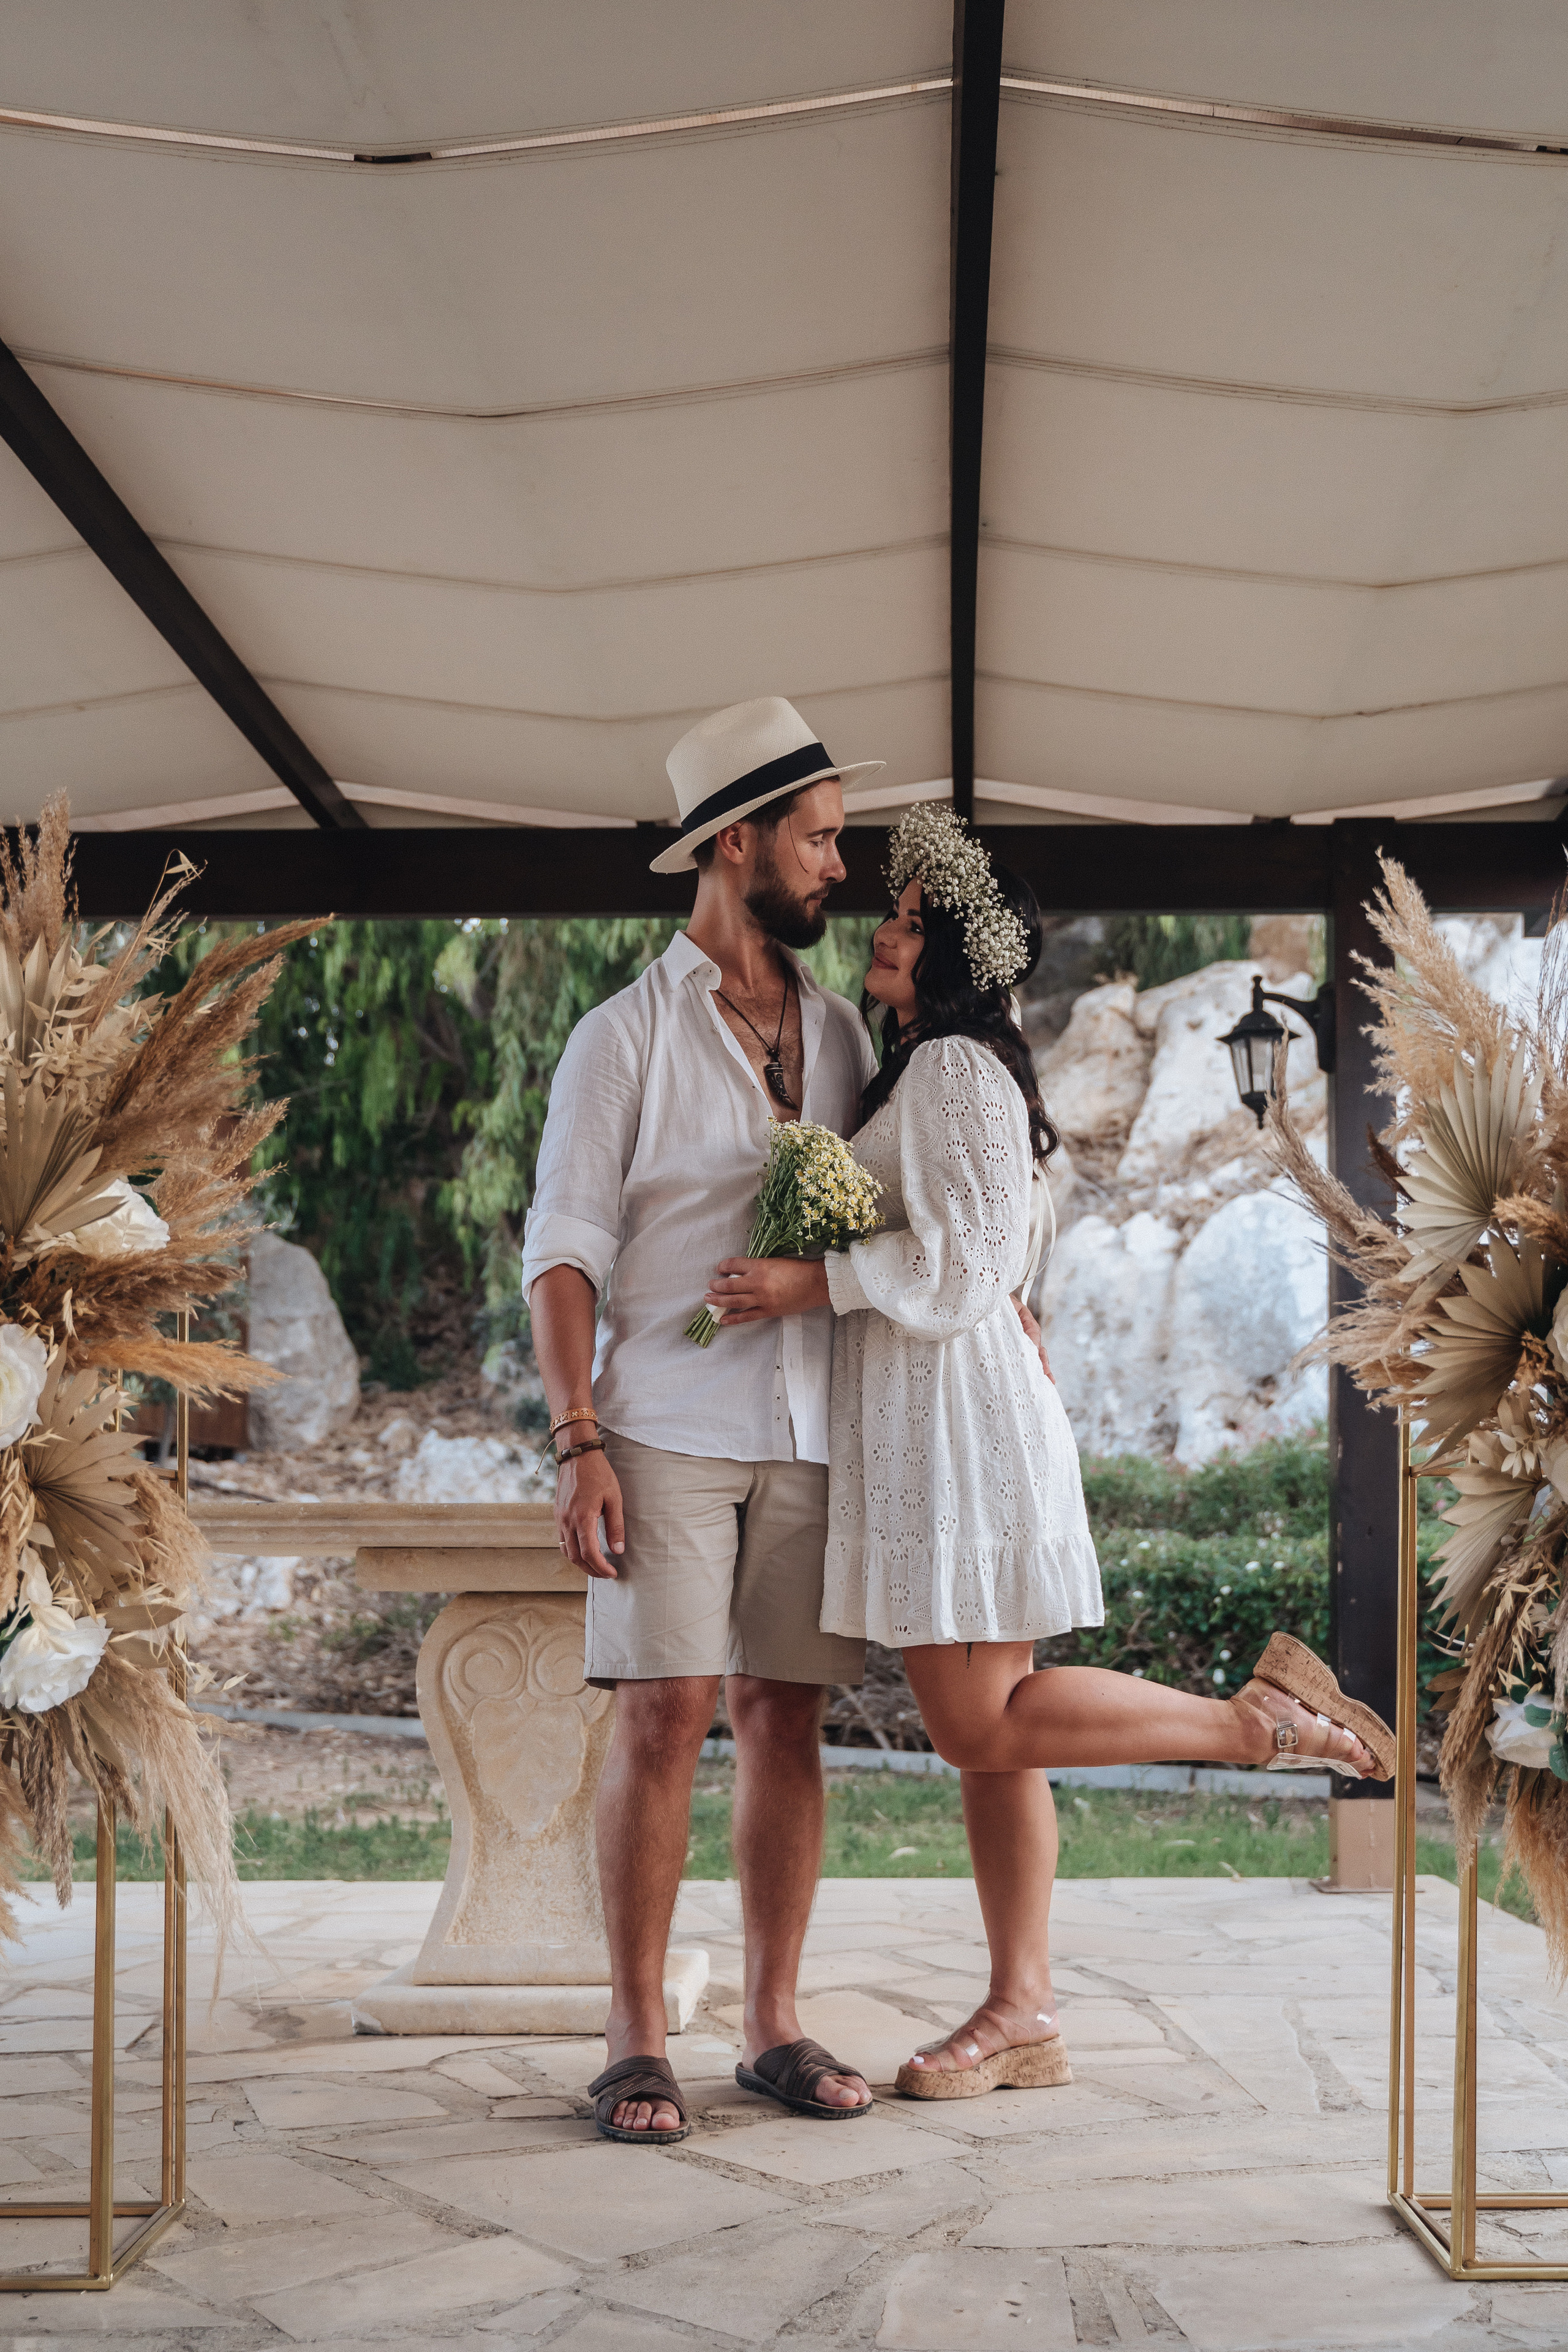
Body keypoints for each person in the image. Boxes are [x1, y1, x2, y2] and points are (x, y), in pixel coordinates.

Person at [703, 805, 1395, 2101]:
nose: (886, 937)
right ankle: (1022, 2008)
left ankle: (1253, 1726)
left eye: (913, 924)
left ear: (964, 951)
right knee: (995, 1735)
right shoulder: (930, 1068)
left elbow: (964, 1267)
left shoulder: (956, 1069)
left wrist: (811, 1286)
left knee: (979, 1724)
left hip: (953, 1424)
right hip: (937, 1414)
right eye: (892, 919)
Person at [524, 696, 886, 2145]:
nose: (835, 868)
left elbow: (885, 1230)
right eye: (818, 839)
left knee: (783, 1716)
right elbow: (563, 1250)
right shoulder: (620, 1039)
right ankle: (632, 2036)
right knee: (667, 1714)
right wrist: (577, 1438)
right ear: (736, 842)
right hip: (663, 1420)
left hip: (809, 1427)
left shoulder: (849, 1032)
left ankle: (772, 2023)